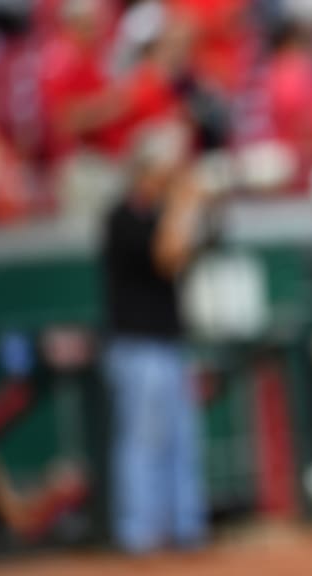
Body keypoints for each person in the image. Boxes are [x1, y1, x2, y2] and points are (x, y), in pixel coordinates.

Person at [100, 119, 207, 554]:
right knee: (144, 442)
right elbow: (166, 257)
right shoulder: (122, 215)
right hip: (136, 346)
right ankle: (140, 533)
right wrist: (185, 205)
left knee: (182, 440)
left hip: (168, 343)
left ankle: (185, 527)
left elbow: (184, 253)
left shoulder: (164, 212)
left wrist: (187, 207)